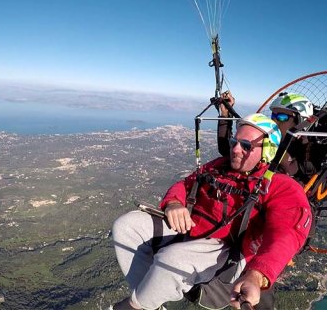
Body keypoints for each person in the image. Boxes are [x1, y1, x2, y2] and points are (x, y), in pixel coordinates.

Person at [110, 114, 312, 310]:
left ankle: (134, 307)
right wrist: (173, 203)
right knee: (126, 226)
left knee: (172, 258)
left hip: (227, 250)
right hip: (191, 230)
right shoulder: (218, 166)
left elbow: (287, 234)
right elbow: (186, 183)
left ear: (267, 152)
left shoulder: (281, 186)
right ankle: (148, 302)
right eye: (234, 142)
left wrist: (257, 274)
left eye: (246, 146)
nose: (236, 149)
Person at [218, 53, 327, 190]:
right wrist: (225, 116)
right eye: (273, 116)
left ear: (302, 121)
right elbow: (229, 149)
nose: (275, 121)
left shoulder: (312, 153)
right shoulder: (267, 140)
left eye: (282, 117)